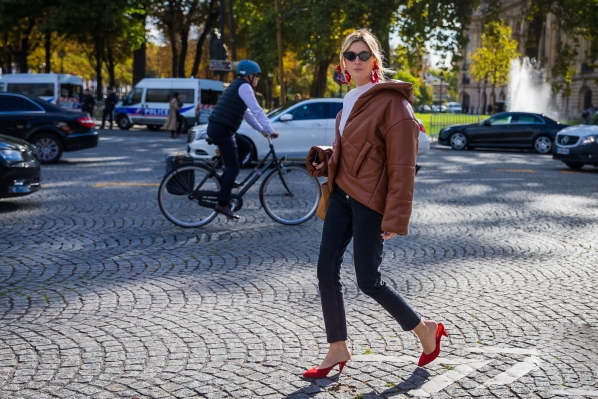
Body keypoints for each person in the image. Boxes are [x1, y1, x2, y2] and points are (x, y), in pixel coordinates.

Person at [303, 29, 447, 380]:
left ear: (375, 62)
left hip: (370, 202)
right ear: (342, 64)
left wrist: (395, 216)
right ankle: (338, 346)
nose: (356, 61)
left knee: (368, 280)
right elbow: (358, 149)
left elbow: (402, 164)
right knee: (325, 270)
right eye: (350, 56)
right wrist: (329, 156)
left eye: (363, 55)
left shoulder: (393, 103)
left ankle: (425, 330)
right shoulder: (350, 99)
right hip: (341, 195)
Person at [206, 59, 279, 219]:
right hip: (222, 129)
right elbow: (257, 109)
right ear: (250, 75)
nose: (258, 79)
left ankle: (227, 180)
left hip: (221, 128)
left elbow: (248, 114)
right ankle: (222, 203)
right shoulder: (244, 87)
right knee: (234, 168)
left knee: (246, 146)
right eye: (257, 76)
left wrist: (262, 130)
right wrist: (270, 129)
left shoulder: (237, 85)